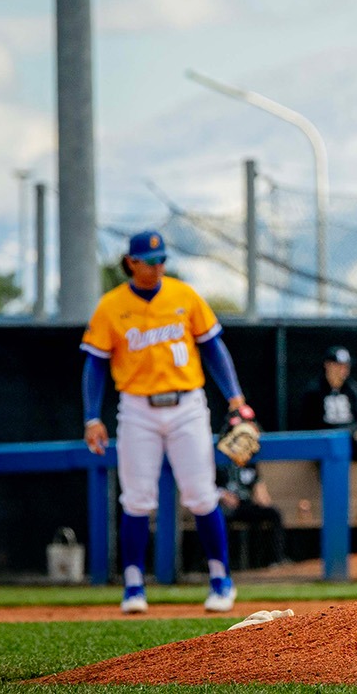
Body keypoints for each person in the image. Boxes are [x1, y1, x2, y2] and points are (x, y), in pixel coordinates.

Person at [81, 230, 254, 613]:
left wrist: (236, 399)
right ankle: (133, 586)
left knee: (201, 493)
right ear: (131, 263)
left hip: (187, 405)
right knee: (138, 499)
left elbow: (213, 347)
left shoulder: (185, 296)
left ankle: (221, 579)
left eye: (161, 260)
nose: (157, 267)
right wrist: (92, 416)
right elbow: (95, 363)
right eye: (149, 260)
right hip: (137, 408)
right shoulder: (111, 306)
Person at [297, 345, 357, 519]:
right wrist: (331, 434)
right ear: (328, 365)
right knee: (331, 468)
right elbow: (308, 421)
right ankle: (333, 511)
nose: (343, 370)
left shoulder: (352, 389)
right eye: (338, 365)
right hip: (324, 442)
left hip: (346, 439)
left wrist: (348, 432)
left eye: (346, 366)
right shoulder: (314, 390)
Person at [218, 457, 288, 570]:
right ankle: (224, 562)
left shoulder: (250, 463)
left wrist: (264, 500)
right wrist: (222, 495)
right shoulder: (219, 461)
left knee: (274, 513)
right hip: (225, 507)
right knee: (220, 518)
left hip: (246, 504)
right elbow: (209, 486)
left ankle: (276, 559)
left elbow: (258, 485)